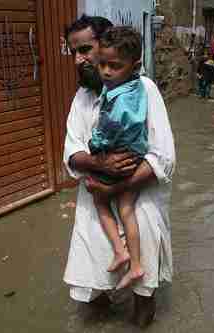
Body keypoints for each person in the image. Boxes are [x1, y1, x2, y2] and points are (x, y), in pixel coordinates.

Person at [63, 15, 175, 327]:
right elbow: (71, 152)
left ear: (105, 46)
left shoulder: (145, 90)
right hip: (96, 198)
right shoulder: (82, 98)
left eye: (86, 49)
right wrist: (99, 164)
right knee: (94, 290)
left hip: (138, 198)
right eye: (73, 52)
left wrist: (114, 187)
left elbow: (163, 156)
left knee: (143, 298)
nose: (79, 59)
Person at [87, 26, 147, 291]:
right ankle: (135, 265)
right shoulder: (136, 87)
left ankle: (120, 251)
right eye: (102, 65)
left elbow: (109, 131)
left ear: (134, 67)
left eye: (115, 66)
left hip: (118, 157)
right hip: (136, 155)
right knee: (126, 209)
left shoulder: (118, 98)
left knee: (99, 199)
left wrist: (94, 144)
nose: (106, 72)